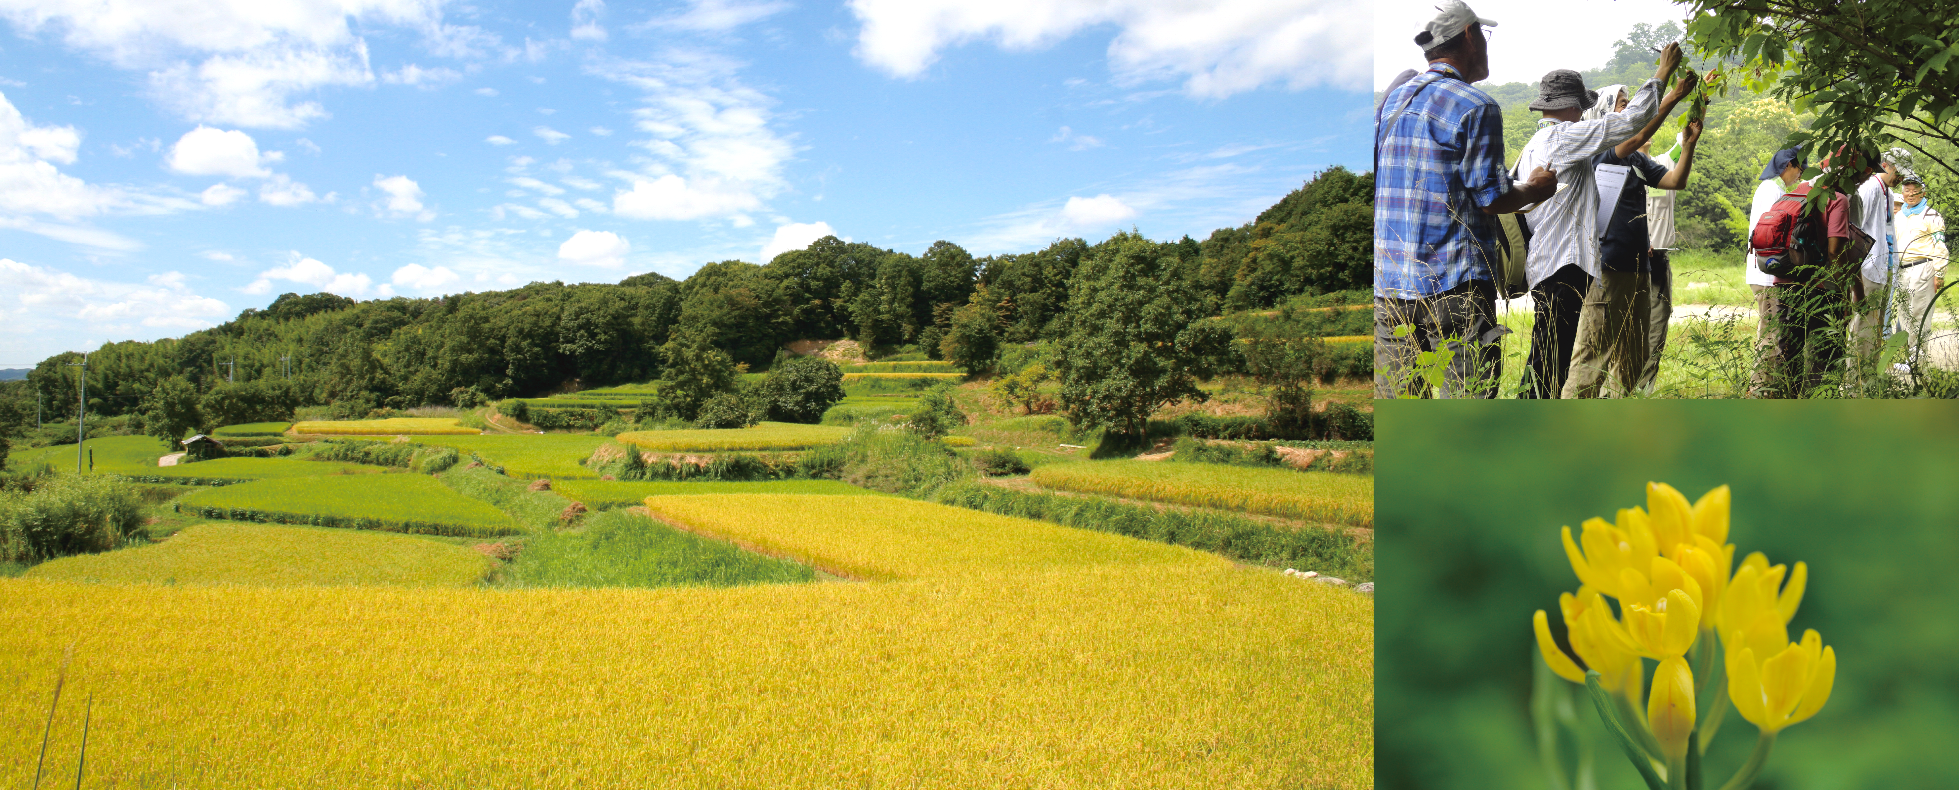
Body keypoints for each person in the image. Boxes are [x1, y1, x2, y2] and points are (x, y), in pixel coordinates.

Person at [1374, 0, 1555, 398]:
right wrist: (1536, 190)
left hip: (1388, 287)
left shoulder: (1391, 104)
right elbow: (1491, 199)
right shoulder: (1475, 105)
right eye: (1484, 36)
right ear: (1471, 37)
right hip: (1454, 286)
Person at [1506, 46, 1689, 399]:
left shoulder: (1534, 143)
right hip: (1564, 265)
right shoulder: (1563, 136)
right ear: (1572, 106)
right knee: (1551, 362)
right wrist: (1663, 74)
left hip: (1546, 262)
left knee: (1547, 357)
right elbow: (1631, 124)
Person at [1563, 83, 1700, 398]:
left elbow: (1675, 180)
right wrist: (1673, 96)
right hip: (1608, 269)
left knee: (1633, 358)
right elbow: (1637, 135)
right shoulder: (1601, 152)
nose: (1631, 110)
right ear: (1604, 115)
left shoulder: (1636, 161)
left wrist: (1689, 146)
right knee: (1591, 361)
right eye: (1623, 104)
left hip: (1639, 270)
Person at [1750, 150, 1870, 397]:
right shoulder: (1837, 199)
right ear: (1849, 174)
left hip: (1784, 285)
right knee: (1824, 361)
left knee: (1788, 356)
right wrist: (1851, 294)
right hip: (1821, 290)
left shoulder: (1794, 191)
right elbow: (1837, 251)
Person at [1846, 148, 1909, 384]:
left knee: (1876, 325)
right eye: (1899, 173)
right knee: (1864, 324)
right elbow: (1857, 229)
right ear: (1887, 165)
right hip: (1868, 268)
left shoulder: (1889, 194)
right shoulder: (1871, 187)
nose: (1901, 179)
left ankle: (1871, 376)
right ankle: (1856, 380)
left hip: (1884, 267)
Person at [1636, 131, 1684, 392]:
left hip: (1659, 260)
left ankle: (1644, 389)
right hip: (1627, 259)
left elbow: (1684, 142)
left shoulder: (1664, 163)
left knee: (1656, 324)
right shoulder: (1617, 168)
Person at [1893, 175, 1950, 367]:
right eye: (1907, 190)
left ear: (1923, 192)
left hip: (1922, 267)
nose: (1910, 194)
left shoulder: (1931, 216)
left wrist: (1939, 273)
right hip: (1902, 270)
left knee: (1919, 313)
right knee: (1904, 314)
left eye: (1914, 189)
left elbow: (1940, 245)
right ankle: (1911, 358)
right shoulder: (1899, 216)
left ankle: (1919, 360)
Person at [1747, 147, 1806, 313]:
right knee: (1771, 332)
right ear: (1788, 165)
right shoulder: (1770, 190)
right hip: (1767, 272)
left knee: (1772, 331)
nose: (1800, 176)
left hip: (1770, 271)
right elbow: (1770, 234)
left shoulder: (1775, 189)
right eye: (1799, 170)